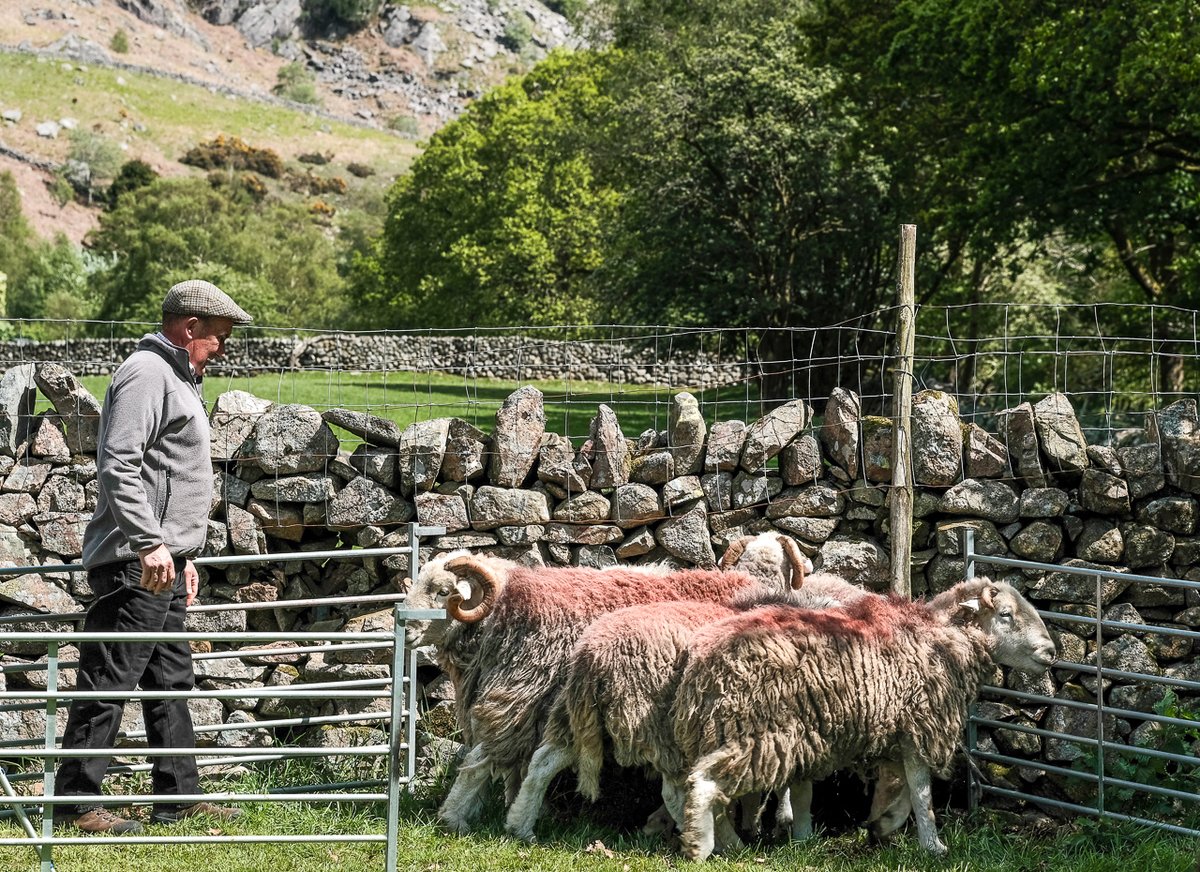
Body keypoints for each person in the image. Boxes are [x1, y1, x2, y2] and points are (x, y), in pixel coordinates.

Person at [54, 280, 252, 834]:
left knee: (170, 677)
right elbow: (119, 464)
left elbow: (165, 472)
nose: (222, 348)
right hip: (135, 560)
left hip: (162, 560)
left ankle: (178, 795)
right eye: (218, 338)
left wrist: (182, 555)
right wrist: (148, 542)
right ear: (190, 329)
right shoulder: (146, 372)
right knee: (111, 674)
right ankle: (72, 803)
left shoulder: (177, 376)